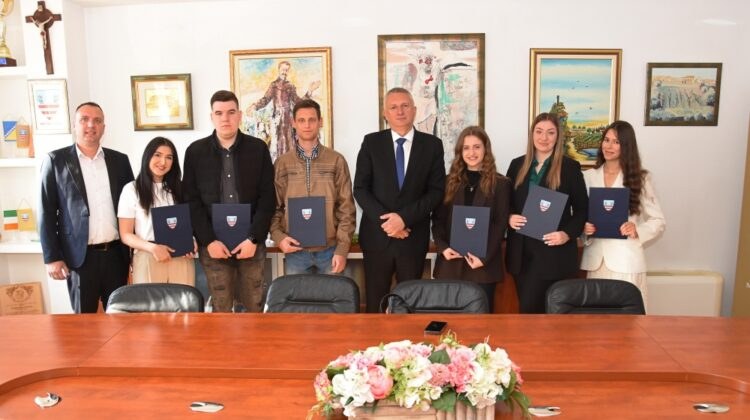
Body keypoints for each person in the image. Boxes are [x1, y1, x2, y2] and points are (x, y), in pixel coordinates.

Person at [353, 87, 445, 312]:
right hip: (377, 238)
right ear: (385, 113)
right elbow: (361, 189)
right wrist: (388, 223)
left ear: (414, 110)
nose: (400, 111)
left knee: (409, 304)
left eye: (405, 106)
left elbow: (436, 191)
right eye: (393, 107)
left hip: (412, 237)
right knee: (375, 303)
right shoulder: (371, 143)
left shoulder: (432, 145)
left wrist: (403, 219)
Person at [183, 90, 275, 312]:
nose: (225, 118)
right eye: (219, 113)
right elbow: (191, 201)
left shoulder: (258, 149)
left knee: (253, 307)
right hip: (214, 247)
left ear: (240, 115)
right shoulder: (195, 152)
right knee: (221, 309)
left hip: (250, 246)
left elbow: (267, 198)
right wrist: (209, 241)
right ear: (211, 117)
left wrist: (253, 239)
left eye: (231, 112)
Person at [39, 102, 134, 313]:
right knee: (83, 322)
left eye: (97, 120)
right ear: (74, 125)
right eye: (84, 119)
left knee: (121, 317)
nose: (91, 125)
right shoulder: (55, 161)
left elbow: (132, 208)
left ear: (104, 127)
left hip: (116, 255)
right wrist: (52, 257)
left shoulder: (120, 161)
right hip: (79, 259)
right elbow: (46, 213)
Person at [506, 112, 588, 313]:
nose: (544, 137)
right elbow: (505, 203)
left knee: (552, 320)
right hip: (521, 256)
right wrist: (509, 216)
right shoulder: (517, 165)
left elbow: (582, 209)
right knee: (527, 314)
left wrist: (566, 234)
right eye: (539, 131)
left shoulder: (570, 167)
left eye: (550, 133)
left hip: (554, 255)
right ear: (532, 134)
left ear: (558, 136)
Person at [580, 121, 666, 309]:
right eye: (606, 140)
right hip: (596, 264)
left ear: (626, 146)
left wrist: (637, 230)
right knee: (597, 322)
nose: (608, 146)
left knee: (629, 322)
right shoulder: (587, 177)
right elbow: (580, 216)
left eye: (616, 142)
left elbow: (658, 220)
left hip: (627, 263)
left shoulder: (640, 178)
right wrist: (584, 229)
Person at [270, 99, 356, 275]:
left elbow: (346, 207)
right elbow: (273, 207)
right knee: (297, 295)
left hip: (330, 251)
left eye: (312, 120)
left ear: (320, 122)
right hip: (295, 251)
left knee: (334, 294)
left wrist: (342, 249)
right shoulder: (282, 164)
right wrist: (279, 238)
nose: (307, 125)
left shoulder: (336, 160)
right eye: (301, 120)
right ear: (293, 123)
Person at [431, 126, 511, 312]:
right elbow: (438, 220)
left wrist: (484, 258)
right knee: (449, 321)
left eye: (477, 147)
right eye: (466, 148)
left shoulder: (501, 184)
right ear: (460, 152)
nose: (471, 153)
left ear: (486, 149)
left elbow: (500, 224)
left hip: (483, 267)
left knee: (480, 322)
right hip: (451, 264)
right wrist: (444, 248)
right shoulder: (448, 182)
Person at [117, 136, 196, 285]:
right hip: (148, 255)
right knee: (149, 301)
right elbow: (126, 234)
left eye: (169, 157)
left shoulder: (181, 188)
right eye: (157, 155)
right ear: (147, 156)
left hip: (180, 256)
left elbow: (190, 223)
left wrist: (191, 241)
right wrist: (152, 248)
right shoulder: (132, 189)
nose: (163, 162)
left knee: (184, 300)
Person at [245, 61, 321, 159]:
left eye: (286, 70)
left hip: (288, 121)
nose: (284, 72)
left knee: (289, 144)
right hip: (276, 120)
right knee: (277, 146)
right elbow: (265, 99)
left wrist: (309, 91)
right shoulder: (273, 85)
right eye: (283, 70)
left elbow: (299, 102)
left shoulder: (290, 86)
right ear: (279, 70)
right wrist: (254, 106)